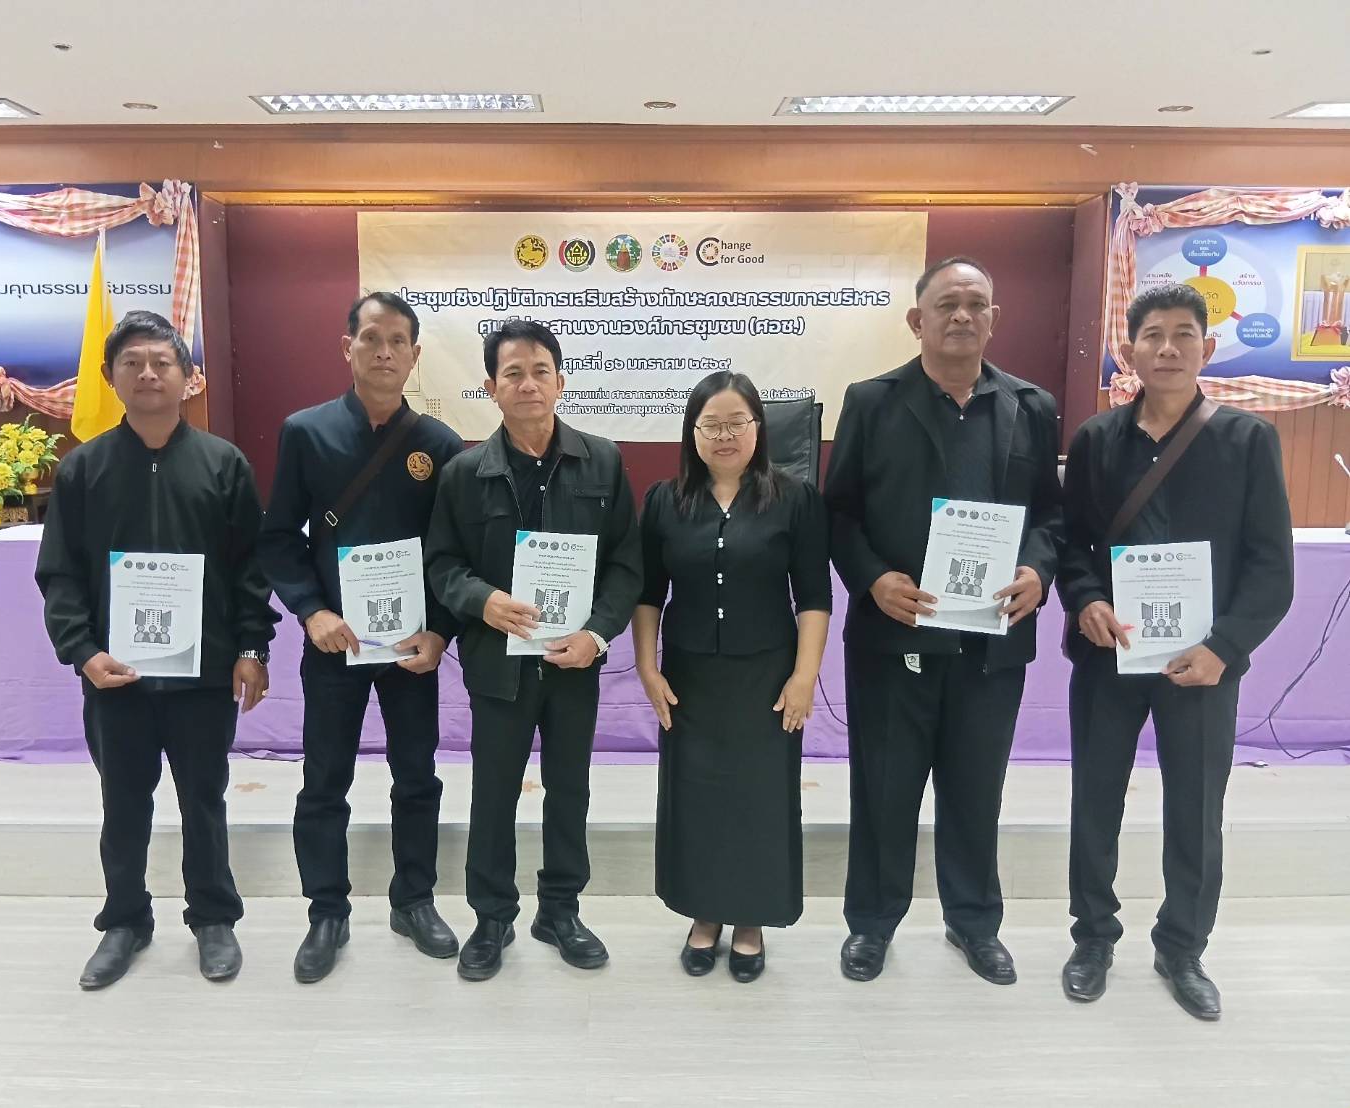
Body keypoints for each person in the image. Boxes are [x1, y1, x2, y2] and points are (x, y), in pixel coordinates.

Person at [824, 256, 1063, 985]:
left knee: (974, 789)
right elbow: (837, 513)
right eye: (947, 304)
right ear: (915, 320)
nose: (962, 316)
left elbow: (1051, 518)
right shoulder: (871, 400)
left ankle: (972, 924)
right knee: (883, 789)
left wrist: (1037, 571)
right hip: (895, 636)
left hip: (990, 642)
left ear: (994, 318)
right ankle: (871, 924)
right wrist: (871, 580)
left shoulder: (1031, 405)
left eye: (976, 304)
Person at [1058, 283, 1293, 1020]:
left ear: (1206, 348)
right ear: (1128, 350)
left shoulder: (1247, 440)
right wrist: (1086, 598)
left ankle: (1181, 947)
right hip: (1109, 653)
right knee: (1094, 801)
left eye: (1182, 335)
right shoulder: (1096, 441)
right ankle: (1092, 937)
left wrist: (1223, 647)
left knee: (1195, 809)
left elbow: (1269, 566)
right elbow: (1071, 547)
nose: (1166, 348)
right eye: (1151, 334)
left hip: (1201, 664)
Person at [36, 310, 279, 990]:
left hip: (203, 674)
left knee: (204, 797)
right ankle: (124, 920)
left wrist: (252, 647)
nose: (147, 373)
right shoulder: (82, 469)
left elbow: (247, 570)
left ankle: (213, 917)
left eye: (161, 362)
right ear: (111, 377)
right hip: (116, 678)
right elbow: (60, 574)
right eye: (132, 362)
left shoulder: (222, 464)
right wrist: (84, 653)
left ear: (186, 376)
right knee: (124, 802)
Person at [425, 318, 641, 982]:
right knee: (492, 795)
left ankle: (560, 910)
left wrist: (598, 633)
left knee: (568, 791)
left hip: (573, 665)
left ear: (560, 381)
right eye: (512, 373)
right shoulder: (464, 473)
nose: (527, 384)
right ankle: (492, 919)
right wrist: (481, 600)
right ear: (490, 387)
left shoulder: (601, 460)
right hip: (496, 665)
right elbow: (441, 564)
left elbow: (626, 565)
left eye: (539, 370)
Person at [259, 292, 465, 983]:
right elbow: (279, 540)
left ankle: (415, 901)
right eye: (370, 338)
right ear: (345, 346)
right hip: (334, 646)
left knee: (416, 779)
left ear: (414, 354)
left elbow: (452, 552)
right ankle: (326, 911)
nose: (383, 351)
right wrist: (311, 610)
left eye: (397, 340)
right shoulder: (306, 433)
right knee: (324, 782)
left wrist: (439, 631)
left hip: (411, 652)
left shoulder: (438, 445)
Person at [633, 371, 831, 984]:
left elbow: (814, 597)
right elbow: (647, 594)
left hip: (767, 677)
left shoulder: (794, 497)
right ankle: (704, 914)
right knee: (696, 797)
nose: (723, 436)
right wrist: (645, 666)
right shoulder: (666, 501)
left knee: (760, 800)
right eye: (710, 424)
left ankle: (751, 920)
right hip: (689, 678)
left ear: (758, 429)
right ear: (691, 433)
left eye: (736, 423)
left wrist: (804, 677)